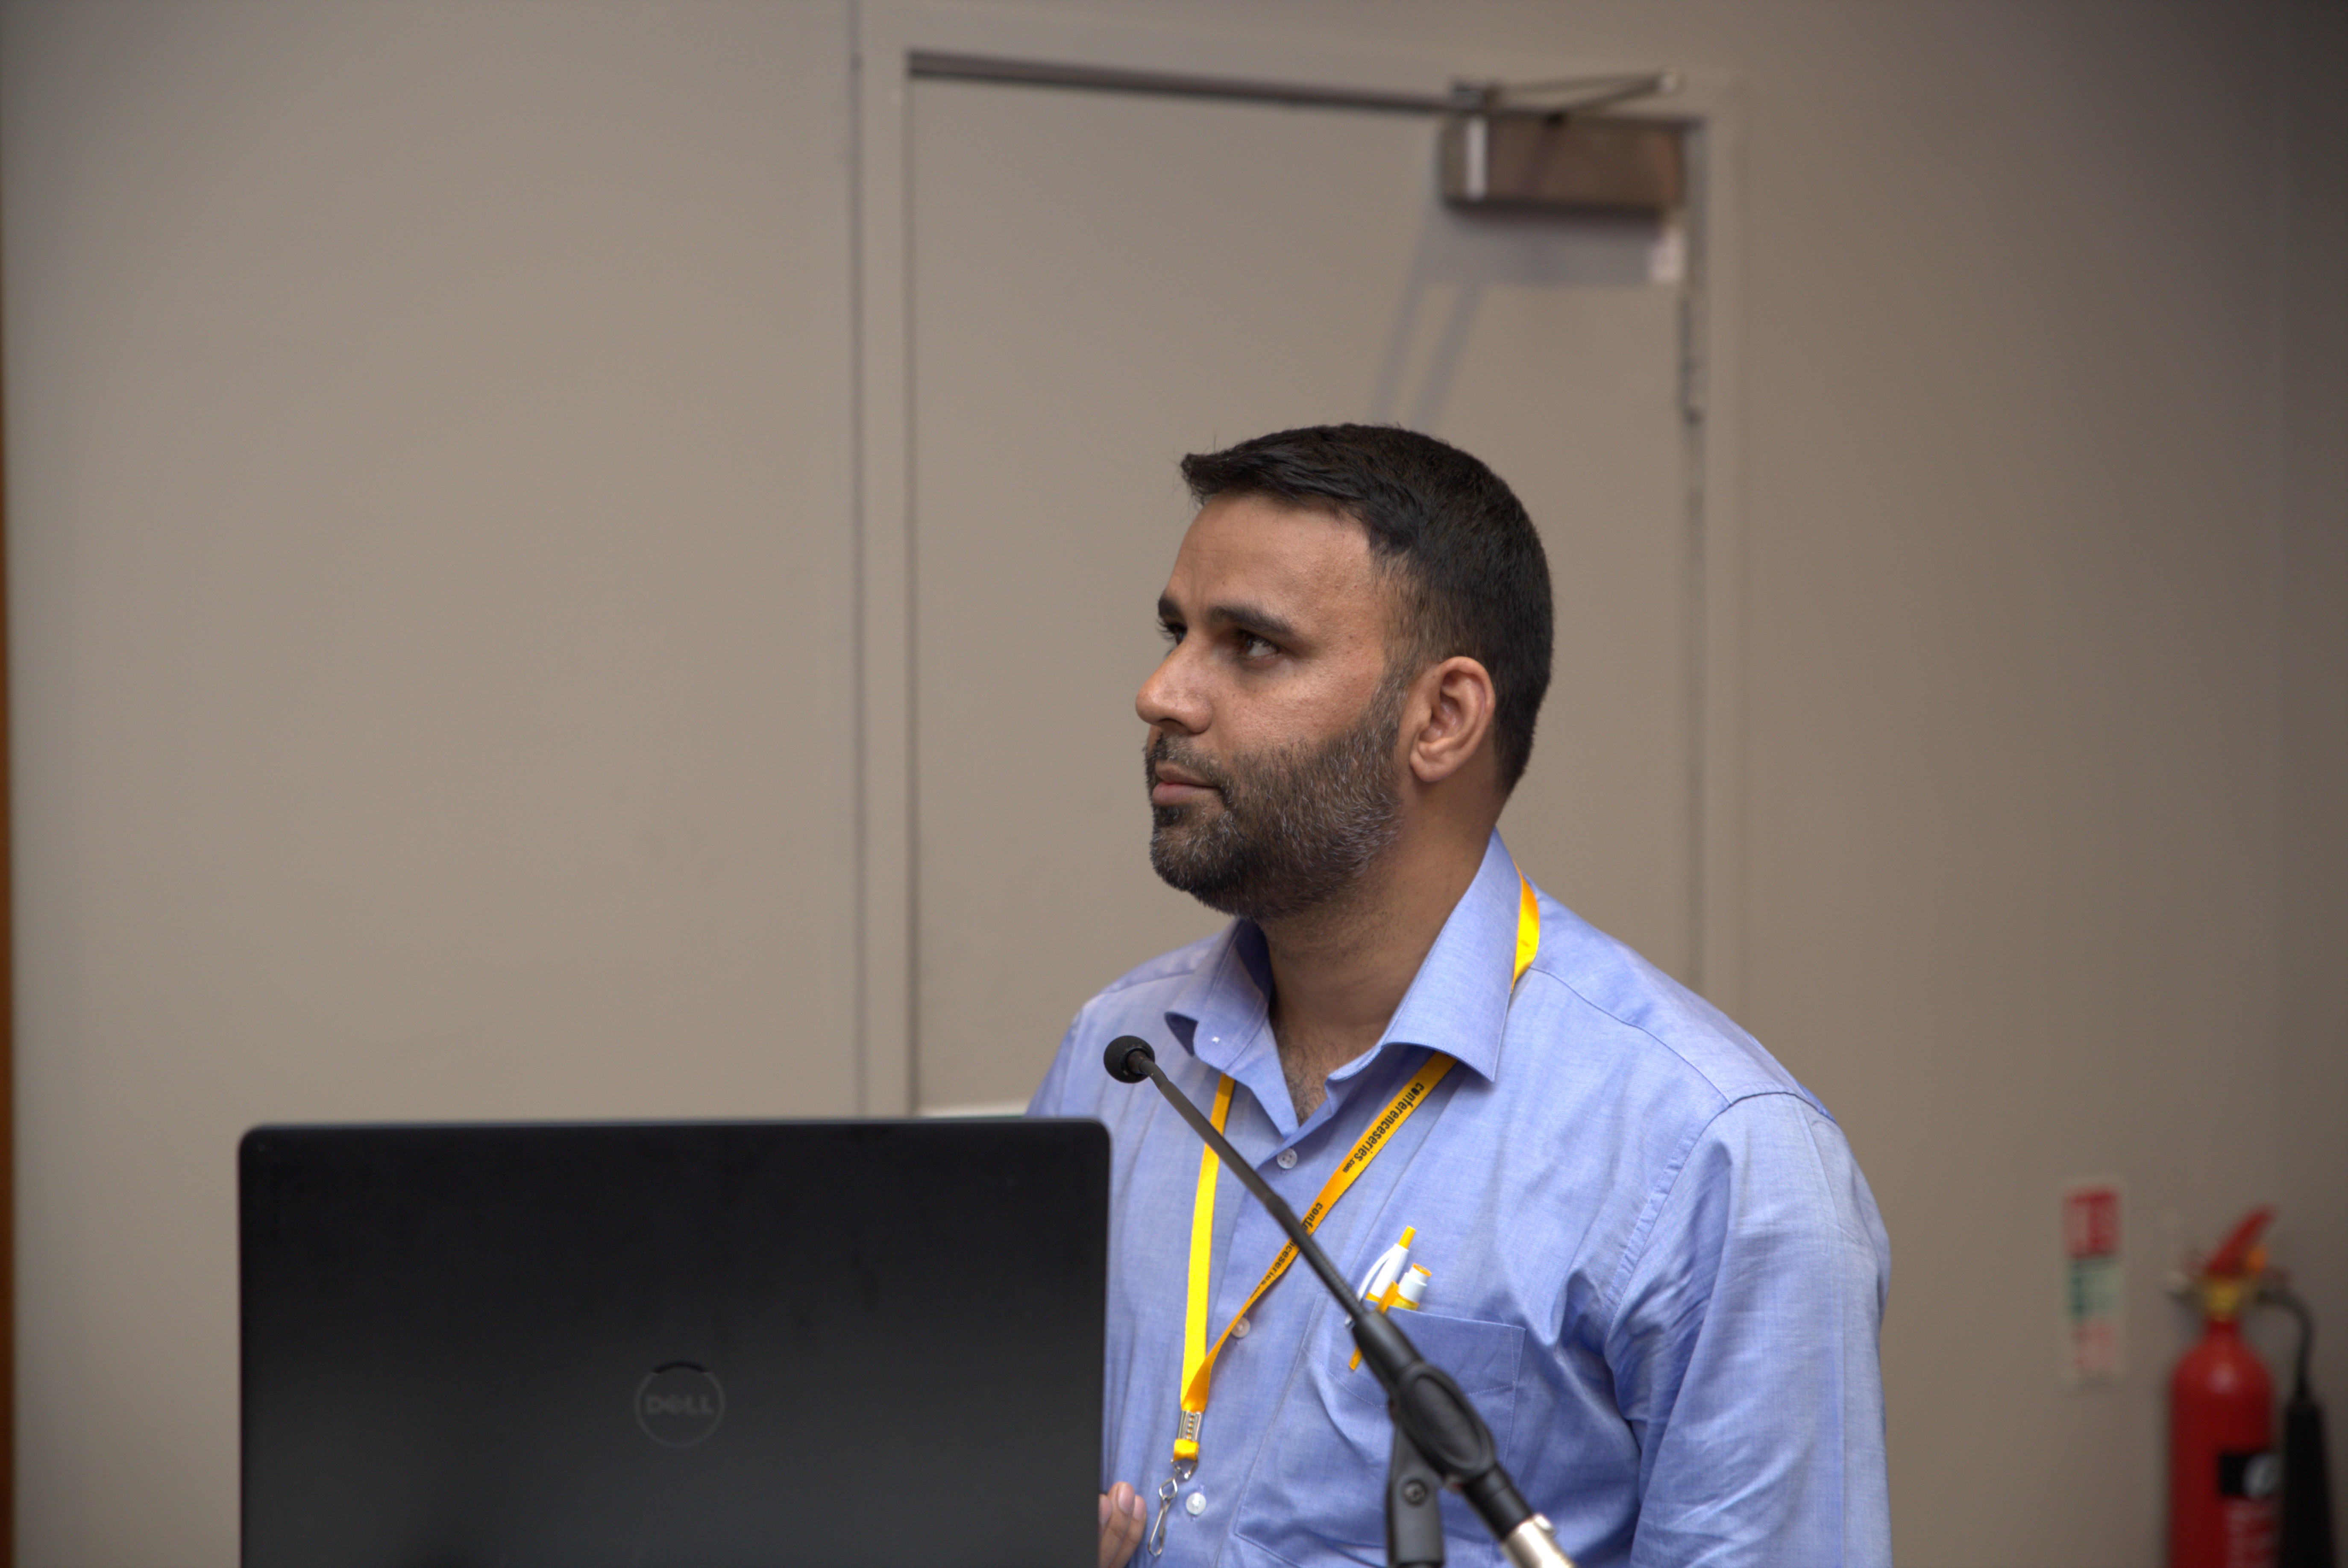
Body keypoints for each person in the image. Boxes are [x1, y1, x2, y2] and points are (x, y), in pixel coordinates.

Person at [1033, 425, 1890, 1568]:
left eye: (1252, 646)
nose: (1163, 693)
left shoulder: (1714, 1156)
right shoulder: (1115, 1056)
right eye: (1175, 633)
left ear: (1441, 719)